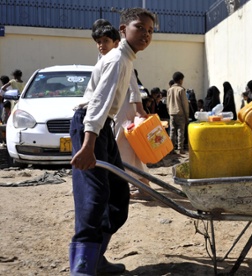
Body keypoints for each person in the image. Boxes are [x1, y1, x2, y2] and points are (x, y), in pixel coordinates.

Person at [69, 8, 155, 275]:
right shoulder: (118, 58)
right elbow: (99, 101)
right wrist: (88, 144)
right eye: (139, 27)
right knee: (93, 197)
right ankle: (82, 266)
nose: (146, 34)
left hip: (102, 128)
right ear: (122, 30)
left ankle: (96, 258)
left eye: (150, 31)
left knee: (118, 195)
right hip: (89, 126)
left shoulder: (126, 58)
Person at [167, 71, 189, 154]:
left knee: (172, 131)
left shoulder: (169, 90)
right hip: (180, 113)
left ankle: (171, 149)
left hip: (172, 113)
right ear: (180, 80)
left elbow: (168, 103)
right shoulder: (181, 90)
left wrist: (169, 112)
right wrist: (187, 115)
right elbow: (185, 104)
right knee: (180, 131)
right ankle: (180, 149)